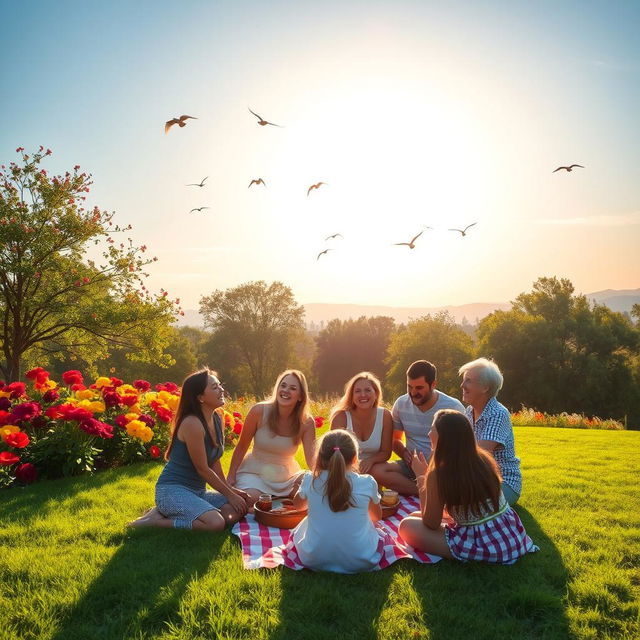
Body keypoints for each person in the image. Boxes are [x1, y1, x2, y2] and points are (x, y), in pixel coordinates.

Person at [398, 410, 538, 563]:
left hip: (486, 545)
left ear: (442, 438)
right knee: (414, 516)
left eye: (432, 428)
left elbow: (431, 523)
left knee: (406, 526)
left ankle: (463, 549)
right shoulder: (482, 458)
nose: (429, 432)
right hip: (510, 535)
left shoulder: (440, 474)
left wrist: (421, 477)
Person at [128, 369, 252, 530]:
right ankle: (153, 522)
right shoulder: (192, 423)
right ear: (200, 397)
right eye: (214, 387)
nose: (221, 389)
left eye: (219, 385)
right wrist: (230, 495)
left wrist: (232, 491)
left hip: (197, 492)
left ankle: (164, 512)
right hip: (171, 490)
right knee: (216, 523)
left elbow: (214, 461)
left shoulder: (217, 418)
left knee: (235, 511)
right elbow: (202, 469)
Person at [290, 429, 384, 573]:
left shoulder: (310, 479)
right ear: (354, 458)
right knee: (376, 531)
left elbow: (298, 506)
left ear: (319, 458)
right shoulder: (367, 482)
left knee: (302, 526)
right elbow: (376, 517)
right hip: (361, 559)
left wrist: (301, 488)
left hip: (313, 558)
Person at [373, 360, 464, 495]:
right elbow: (395, 439)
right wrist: (404, 453)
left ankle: (430, 489)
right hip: (411, 466)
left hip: (443, 468)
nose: (413, 392)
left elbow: (464, 447)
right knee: (377, 471)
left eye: (419, 388)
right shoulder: (401, 404)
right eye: (409, 387)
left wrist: (437, 466)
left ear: (433, 384)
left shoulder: (453, 407)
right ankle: (424, 492)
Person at [227, 370, 315, 501]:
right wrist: (231, 476)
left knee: (307, 493)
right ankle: (276, 502)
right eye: (283, 385)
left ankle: (276, 502)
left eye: (292, 388)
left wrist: (321, 480)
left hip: (287, 477)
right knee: (252, 498)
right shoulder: (259, 411)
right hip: (255, 474)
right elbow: (241, 446)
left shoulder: (307, 422)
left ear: (301, 396)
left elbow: (311, 460)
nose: (286, 390)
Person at [459, 358, 522, 505]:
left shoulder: (498, 413)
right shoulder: (469, 412)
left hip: (503, 483)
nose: (462, 385)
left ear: (485, 387)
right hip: (479, 478)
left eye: (468, 380)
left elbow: (480, 454)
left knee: (464, 505)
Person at [329, 371, 393, 475]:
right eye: (357, 391)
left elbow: (386, 453)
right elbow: (334, 451)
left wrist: (370, 461)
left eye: (368, 390)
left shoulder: (385, 416)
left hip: (374, 471)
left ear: (376, 394)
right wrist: (353, 466)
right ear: (352, 396)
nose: (363, 395)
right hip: (346, 470)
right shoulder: (341, 417)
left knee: (379, 471)